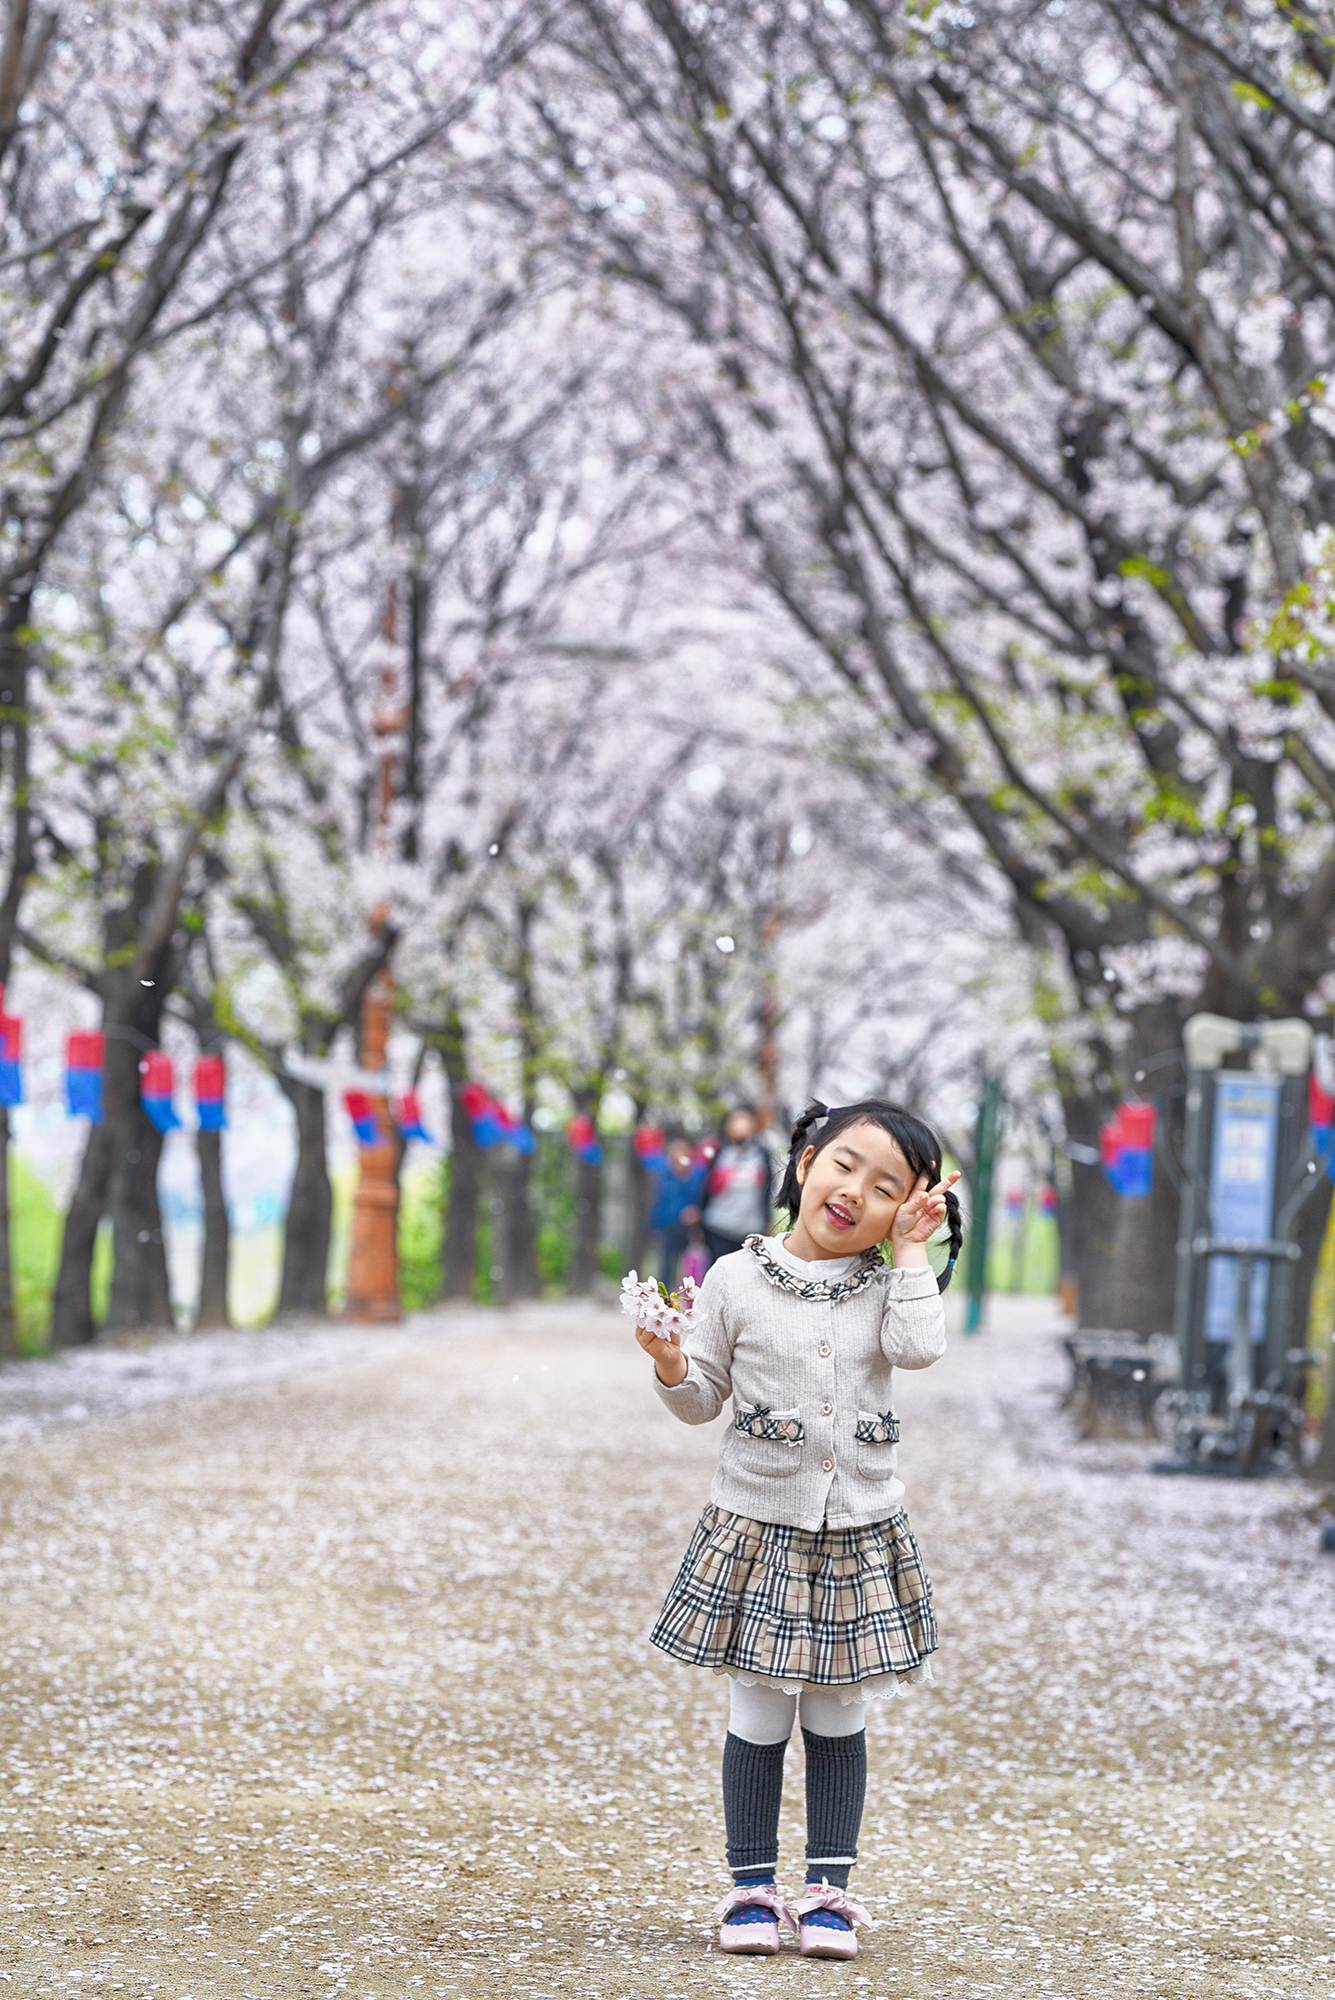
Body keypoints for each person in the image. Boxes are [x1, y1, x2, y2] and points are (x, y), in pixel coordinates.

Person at [631, 1099, 962, 1962]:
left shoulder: (891, 1287)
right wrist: (670, 1361)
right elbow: (701, 1397)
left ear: (906, 1208)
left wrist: (915, 1250)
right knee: (759, 1711)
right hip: (757, 1527)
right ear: (806, 1160)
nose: (856, 1191)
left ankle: (827, 1894)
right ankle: (748, 1891)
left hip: (857, 1532)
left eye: (887, 1187)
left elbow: (921, 1347)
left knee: (837, 1714)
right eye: (845, 1165)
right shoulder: (737, 1280)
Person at [700, 1105, 775, 1264]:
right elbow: (704, 1184)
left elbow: (767, 1189)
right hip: (718, 1225)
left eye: (744, 1120)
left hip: (750, 1229)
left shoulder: (762, 1154)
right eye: (735, 1120)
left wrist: (768, 1221)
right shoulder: (718, 1150)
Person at [645, 1135, 707, 1290]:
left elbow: (704, 1199)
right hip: (668, 1226)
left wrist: (698, 1216)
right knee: (666, 1265)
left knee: (691, 1267)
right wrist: (654, 1227)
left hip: (691, 1230)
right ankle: (664, 1300)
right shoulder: (665, 1175)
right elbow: (659, 1203)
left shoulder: (699, 1175)